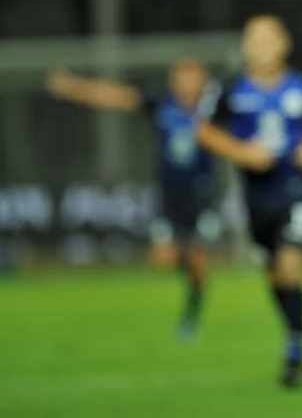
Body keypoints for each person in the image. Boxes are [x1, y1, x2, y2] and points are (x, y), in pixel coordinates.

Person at [196, 14, 302, 387]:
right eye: (255, 39)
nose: (262, 46)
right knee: (275, 272)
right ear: (245, 47)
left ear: (284, 44)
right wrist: (241, 152)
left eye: (269, 38)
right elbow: (205, 130)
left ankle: (295, 344)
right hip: (257, 194)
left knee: (292, 264)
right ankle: (294, 326)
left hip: (297, 187)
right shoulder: (230, 89)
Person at [46, 58, 219, 340]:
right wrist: (73, 87)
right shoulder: (161, 106)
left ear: (203, 81)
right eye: (182, 77)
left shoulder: (213, 108)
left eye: (193, 77)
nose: (188, 84)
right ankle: (184, 263)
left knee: (198, 260)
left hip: (203, 196)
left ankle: (191, 316)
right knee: (164, 258)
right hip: (169, 196)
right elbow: (116, 97)